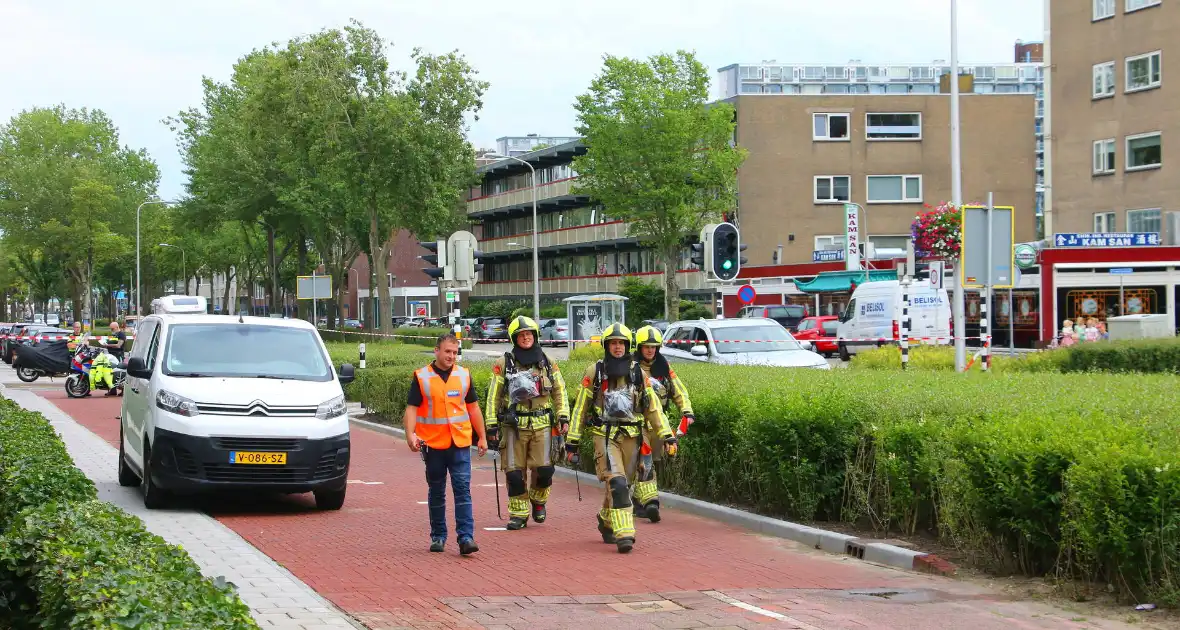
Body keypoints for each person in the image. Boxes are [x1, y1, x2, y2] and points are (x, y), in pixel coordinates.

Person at [566, 323, 675, 553]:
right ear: (607, 346)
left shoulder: (638, 374)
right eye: (614, 343)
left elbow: (653, 408)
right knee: (616, 482)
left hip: (633, 436)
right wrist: (572, 441)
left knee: (623, 484)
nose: (618, 347)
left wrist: (667, 436)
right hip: (604, 436)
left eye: (622, 343)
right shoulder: (594, 372)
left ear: (627, 346)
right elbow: (580, 409)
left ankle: (606, 520)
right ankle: (625, 533)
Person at [403, 333, 489, 555]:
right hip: (432, 444)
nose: (451, 356)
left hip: (459, 442)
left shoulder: (464, 375)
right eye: (447, 351)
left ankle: (466, 538)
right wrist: (410, 434)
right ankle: (438, 536)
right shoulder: (422, 377)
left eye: (454, 352)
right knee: (437, 490)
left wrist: (482, 436)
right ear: (437, 351)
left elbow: (473, 408)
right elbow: (411, 408)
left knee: (462, 489)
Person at [484, 316, 569, 530]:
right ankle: (518, 514)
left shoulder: (548, 362)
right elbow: (494, 395)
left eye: (529, 334)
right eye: (521, 335)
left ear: (535, 336)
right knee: (514, 473)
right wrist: (491, 424)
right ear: (514, 338)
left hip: (542, 424)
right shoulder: (504, 363)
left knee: (544, 471)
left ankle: (538, 501)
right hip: (513, 426)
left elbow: (560, 391)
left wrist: (563, 416)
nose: (526, 337)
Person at [631, 325, 693, 523]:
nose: (650, 350)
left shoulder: (664, 368)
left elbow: (679, 390)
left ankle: (637, 499)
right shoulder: (630, 368)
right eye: (647, 346)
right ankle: (650, 502)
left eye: (654, 347)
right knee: (644, 461)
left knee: (653, 462)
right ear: (639, 347)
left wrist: (687, 411)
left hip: (658, 424)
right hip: (637, 423)